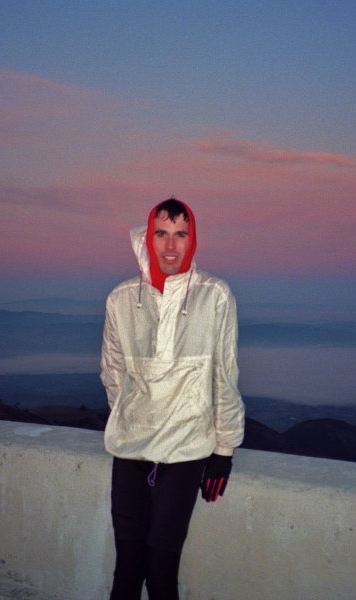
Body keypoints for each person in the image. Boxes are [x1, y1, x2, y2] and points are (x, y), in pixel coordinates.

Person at [100, 198, 245, 600]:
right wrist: (129, 415)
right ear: (148, 239)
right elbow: (113, 372)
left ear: (192, 240)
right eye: (160, 234)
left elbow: (224, 376)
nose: (169, 246)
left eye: (180, 235)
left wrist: (224, 449)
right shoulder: (122, 299)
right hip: (130, 450)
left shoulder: (214, 297)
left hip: (184, 452)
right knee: (127, 569)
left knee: (162, 573)